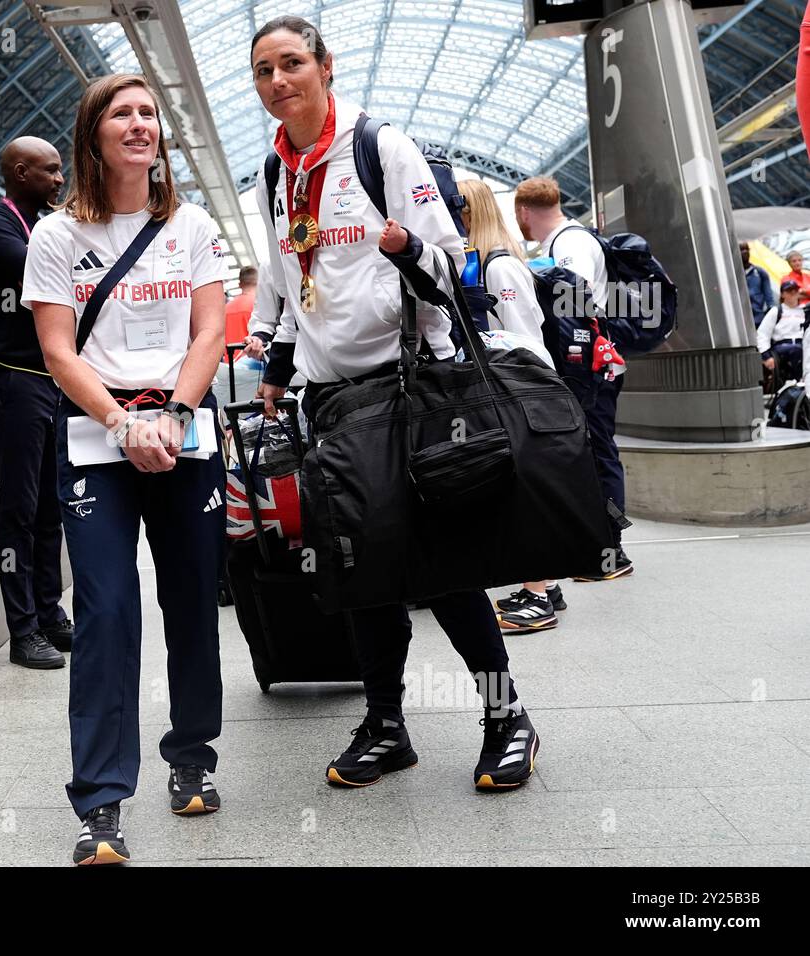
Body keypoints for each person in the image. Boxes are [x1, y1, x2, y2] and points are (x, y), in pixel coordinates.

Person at [250, 16, 541, 793]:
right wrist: (278, 368)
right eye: (264, 71)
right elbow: (286, 287)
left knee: (441, 562)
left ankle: (504, 714)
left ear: (325, 66)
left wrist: (406, 251)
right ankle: (386, 725)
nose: (279, 82)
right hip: (331, 401)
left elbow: (451, 270)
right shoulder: (274, 175)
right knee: (359, 563)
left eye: (292, 64)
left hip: (409, 389)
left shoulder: (382, 147)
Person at [23, 74, 227, 865]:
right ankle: (101, 802)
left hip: (183, 435)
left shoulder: (195, 225)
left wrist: (171, 417)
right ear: (94, 134)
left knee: (190, 604)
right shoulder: (56, 237)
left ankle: (192, 758)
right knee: (107, 611)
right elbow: (56, 352)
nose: (139, 125)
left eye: (148, 114)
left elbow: (210, 333)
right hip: (97, 439)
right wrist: (121, 423)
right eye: (122, 114)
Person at [0, 136, 73, 670]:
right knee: (20, 506)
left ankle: (52, 615)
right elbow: (47, 275)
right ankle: (23, 630)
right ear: (19, 171)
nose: (60, 180)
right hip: (14, 380)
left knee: (52, 506)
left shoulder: (50, 225)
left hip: (54, 381)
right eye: (50, 172)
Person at [458, 178, 566, 631]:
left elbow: (526, 338)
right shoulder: (483, 264)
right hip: (509, 389)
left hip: (518, 390)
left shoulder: (499, 268)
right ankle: (546, 585)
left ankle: (536, 595)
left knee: (520, 489)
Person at [514, 176, 632, 581]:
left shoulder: (570, 243)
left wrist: (535, 278)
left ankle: (612, 550)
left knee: (599, 449)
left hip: (592, 367)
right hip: (591, 364)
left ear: (524, 212)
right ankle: (601, 544)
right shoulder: (561, 244)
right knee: (593, 448)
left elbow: (576, 301)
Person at [757, 279, 808, 384]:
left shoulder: (804, 312)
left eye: (795, 290)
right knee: (795, 350)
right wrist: (766, 356)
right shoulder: (776, 311)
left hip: (803, 344)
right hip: (782, 346)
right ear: (783, 294)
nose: (793, 293)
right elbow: (762, 334)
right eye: (789, 291)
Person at [224, 265, 258, 362]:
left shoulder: (225, 309)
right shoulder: (260, 306)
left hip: (230, 367)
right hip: (256, 366)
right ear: (258, 282)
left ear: (240, 284)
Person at [741, 242, 775, 329]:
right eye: (741, 250)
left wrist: (770, 309)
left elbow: (768, 295)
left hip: (758, 316)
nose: (745, 252)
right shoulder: (732, 273)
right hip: (740, 316)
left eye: (746, 249)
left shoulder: (760, 272)